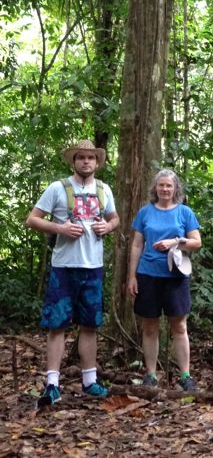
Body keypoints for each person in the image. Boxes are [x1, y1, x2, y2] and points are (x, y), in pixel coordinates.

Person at [26, 139, 120, 407]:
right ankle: (52, 383)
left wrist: (108, 227)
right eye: (81, 158)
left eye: (91, 158)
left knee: (90, 324)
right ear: (73, 161)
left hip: (93, 266)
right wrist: (60, 229)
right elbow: (32, 219)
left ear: (98, 162)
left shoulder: (104, 190)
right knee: (57, 325)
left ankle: (90, 380)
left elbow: (115, 218)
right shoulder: (58, 188)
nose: (86, 162)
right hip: (64, 267)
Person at [127, 168, 202, 390]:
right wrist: (132, 276)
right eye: (161, 185)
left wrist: (174, 241)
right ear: (155, 188)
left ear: (175, 189)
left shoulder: (185, 212)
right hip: (148, 274)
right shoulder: (145, 213)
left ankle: (185, 375)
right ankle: (150, 375)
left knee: (179, 325)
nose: (165, 189)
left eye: (169, 185)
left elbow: (196, 242)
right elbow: (137, 244)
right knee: (150, 326)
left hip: (176, 276)